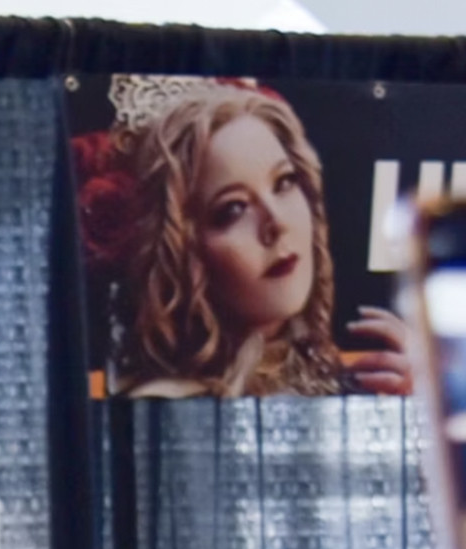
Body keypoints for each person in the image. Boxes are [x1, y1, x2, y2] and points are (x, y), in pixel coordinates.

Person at [75, 74, 412, 398]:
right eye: (233, 210)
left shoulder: (335, 371)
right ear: (180, 249)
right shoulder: (169, 407)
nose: (276, 223)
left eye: (284, 183)